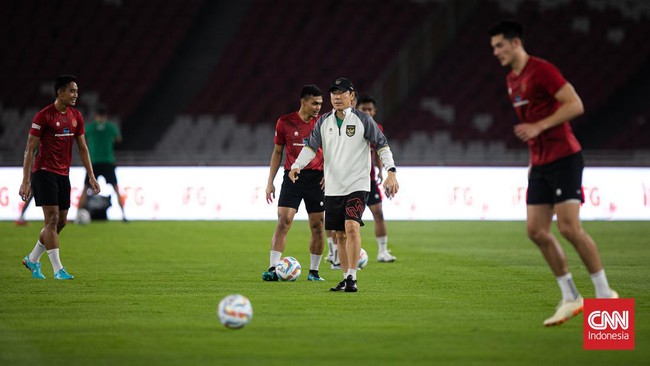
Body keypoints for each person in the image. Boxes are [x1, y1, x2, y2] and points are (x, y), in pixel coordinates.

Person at [489, 20, 617, 326]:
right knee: (535, 231)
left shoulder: (542, 70)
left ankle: (604, 295)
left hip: (565, 158)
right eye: (493, 48)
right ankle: (571, 296)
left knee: (569, 227)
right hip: (541, 163)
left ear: (515, 43)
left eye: (499, 46)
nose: (496, 52)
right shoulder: (511, 81)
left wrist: (540, 126)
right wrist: (534, 157)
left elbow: (575, 104)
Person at [289, 77, 399, 292]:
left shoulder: (363, 120)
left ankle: (352, 278)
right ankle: (346, 277)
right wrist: (296, 165)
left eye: (341, 93)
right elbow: (311, 147)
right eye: (333, 94)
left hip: (358, 184)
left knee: (351, 226)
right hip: (333, 186)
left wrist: (391, 171)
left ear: (351, 96)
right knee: (339, 233)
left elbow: (382, 145)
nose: (337, 97)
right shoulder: (323, 121)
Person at [19, 75, 101, 280]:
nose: (75, 95)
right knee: (52, 218)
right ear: (60, 92)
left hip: (64, 174)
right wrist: (26, 180)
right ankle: (58, 270)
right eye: (71, 91)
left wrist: (91, 175)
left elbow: (83, 148)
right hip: (44, 172)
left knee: (61, 221)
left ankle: (32, 259)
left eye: (76, 91)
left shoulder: (76, 116)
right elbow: (30, 150)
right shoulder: (43, 116)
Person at [262, 84, 326, 282]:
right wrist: (270, 181)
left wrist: (329, 173)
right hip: (292, 177)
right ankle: (273, 268)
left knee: (317, 226)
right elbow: (277, 152)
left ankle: (314, 272)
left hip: (316, 178)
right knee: (284, 221)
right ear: (303, 102)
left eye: (320, 104)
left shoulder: (323, 124)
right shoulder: (285, 122)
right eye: (314, 103)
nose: (318, 107)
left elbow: (333, 151)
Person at [357, 94, 397, 263]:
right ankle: (337, 254)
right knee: (348, 220)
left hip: (369, 179)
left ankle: (382, 251)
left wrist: (381, 171)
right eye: (363, 109)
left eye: (370, 109)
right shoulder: (351, 126)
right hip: (350, 180)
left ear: (375, 111)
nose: (367, 112)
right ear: (357, 109)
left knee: (378, 213)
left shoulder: (377, 127)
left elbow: (379, 151)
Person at [78, 106, 127, 221]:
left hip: (93, 162)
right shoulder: (111, 127)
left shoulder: (90, 127)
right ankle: (124, 215)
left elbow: (82, 138)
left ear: (96, 115)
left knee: (85, 188)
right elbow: (119, 139)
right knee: (116, 188)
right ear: (106, 115)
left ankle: (78, 215)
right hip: (108, 161)